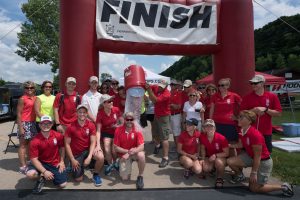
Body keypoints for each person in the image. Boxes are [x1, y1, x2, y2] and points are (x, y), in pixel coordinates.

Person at [227, 110, 294, 197]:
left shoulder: (255, 135)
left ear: (249, 121)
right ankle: (240, 176)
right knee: (230, 161)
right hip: (251, 157)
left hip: (263, 162)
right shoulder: (242, 130)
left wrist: (253, 173)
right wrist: (227, 145)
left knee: (254, 188)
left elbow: (257, 157)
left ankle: (284, 186)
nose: (238, 119)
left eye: (241, 117)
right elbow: (240, 145)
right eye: (239, 117)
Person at [240, 75, 282, 153]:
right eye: (251, 83)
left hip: (266, 131)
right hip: (250, 131)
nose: (253, 85)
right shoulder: (247, 97)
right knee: (249, 153)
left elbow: (278, 113)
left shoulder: (272, 96)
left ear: (262, 84)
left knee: (266, 154)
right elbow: (241, 114)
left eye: (255, 83)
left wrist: (266, 109)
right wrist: (254, 110)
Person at [65, 104, 104, 186]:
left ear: (87, 114)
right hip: (77, 153)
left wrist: (89, 157)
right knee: (78, 179)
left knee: (100, 157)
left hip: (87, 150)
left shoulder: (91, 125)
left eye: (84, 112)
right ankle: (75, 165)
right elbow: (67, 144)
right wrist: (72, 159)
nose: (82, 114)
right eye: (80, 112)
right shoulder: (70, 127)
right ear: (77, 113)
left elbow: (93, 142)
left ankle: (96, 174)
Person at [26, 116, 67, 194]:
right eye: (43, 124)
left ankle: (50, 175)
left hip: (54, 163)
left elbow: (62, 148)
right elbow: (34, 159)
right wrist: (44, 171)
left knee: (63, 184)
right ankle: (41, 177)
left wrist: (62, 161)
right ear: (39, 125)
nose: (46, 125)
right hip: (40, 162)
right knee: (30, 174)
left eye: (48, 123)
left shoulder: (58, 135)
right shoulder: (34, 140)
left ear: (52, 124)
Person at [114, 112, 145, 190]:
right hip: (124, 154)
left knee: (141, 155)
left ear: (134, 120)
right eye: (127, 119)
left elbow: (141, 147)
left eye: (131, 119)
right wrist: (127, 152)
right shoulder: (118, 130)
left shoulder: (137, 129)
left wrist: (130, 152)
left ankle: (140, 176)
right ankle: (120, 162)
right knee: (124, 178)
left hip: (134, 153)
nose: (129, 121)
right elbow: (116, 147)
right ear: (124, 120)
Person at [145, 80, 171, 168]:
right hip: (156, 115)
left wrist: (148, 90)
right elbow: (149, 87)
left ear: (166, 87)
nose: (159, 88)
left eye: (162, 87)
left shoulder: (167, 94)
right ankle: (158, 145)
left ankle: (165, 158)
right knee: (155, 134)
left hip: (164, 117)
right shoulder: (156, 87)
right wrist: (146, 86)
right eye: (159, 86)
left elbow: (155, 100)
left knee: (164, 138)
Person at [209, 78, 241, 148]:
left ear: (228, 86)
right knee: (218, 142)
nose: (220, 87)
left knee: (231, 143)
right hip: (217, 123)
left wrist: (237, 117)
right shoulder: (215, 96)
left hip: (229, 124)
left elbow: (243, 106)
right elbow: (212, 109)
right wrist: (210, 121)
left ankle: (232, 159)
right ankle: (222, 157)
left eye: (222, 85)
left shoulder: (234, 95)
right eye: (219, 85)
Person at [96, 94, 123, 175]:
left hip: (116, 132)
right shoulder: (100, 113)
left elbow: (122, 122)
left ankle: (115, 163)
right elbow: (98, 130)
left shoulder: (116, 109)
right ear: (104, 104)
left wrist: (117, 126)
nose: (112, 102)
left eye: (112, 101)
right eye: (109, 101)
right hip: (106, 133)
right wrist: (98, 144)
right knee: (107, 148)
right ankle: (110, 164)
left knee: (114, 150)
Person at [200, 119, 229, 188]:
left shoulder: (222, 138)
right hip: (210, 157)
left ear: (215, 128)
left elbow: (227, 153)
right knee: (206, 168)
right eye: (207, 126)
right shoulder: (202, 137)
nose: (209, 128)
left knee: (218, 162)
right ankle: (213, 169)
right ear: (204, 128)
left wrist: (216, 155)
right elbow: (203, 149)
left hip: (221, 157)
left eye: (211, 126)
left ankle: (220, 178)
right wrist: (203, 159)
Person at [17, 81, 37, 174]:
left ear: (34, 89)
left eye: (31, 88)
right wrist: (20, 127)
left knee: (31, 144)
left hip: (33, 123)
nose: (29, 89)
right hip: (24, 123)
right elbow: (19, 113)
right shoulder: (22, 99)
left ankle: (29, 162)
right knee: (23, 145)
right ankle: (22, 166)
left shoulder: (36, 98)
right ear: (24, 89)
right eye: (27, 88)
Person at [170, 80, 183, 147]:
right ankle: (177, 147)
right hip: (170, 115)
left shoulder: (179, 93)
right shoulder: (169, 93)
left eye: (174, 84)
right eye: (171, 84)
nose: (172, 85)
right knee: (174, 132)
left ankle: (178, 148)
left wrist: (171, 105)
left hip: (176, 115)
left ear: (177, 86)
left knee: (176, 133)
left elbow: (178, 106)